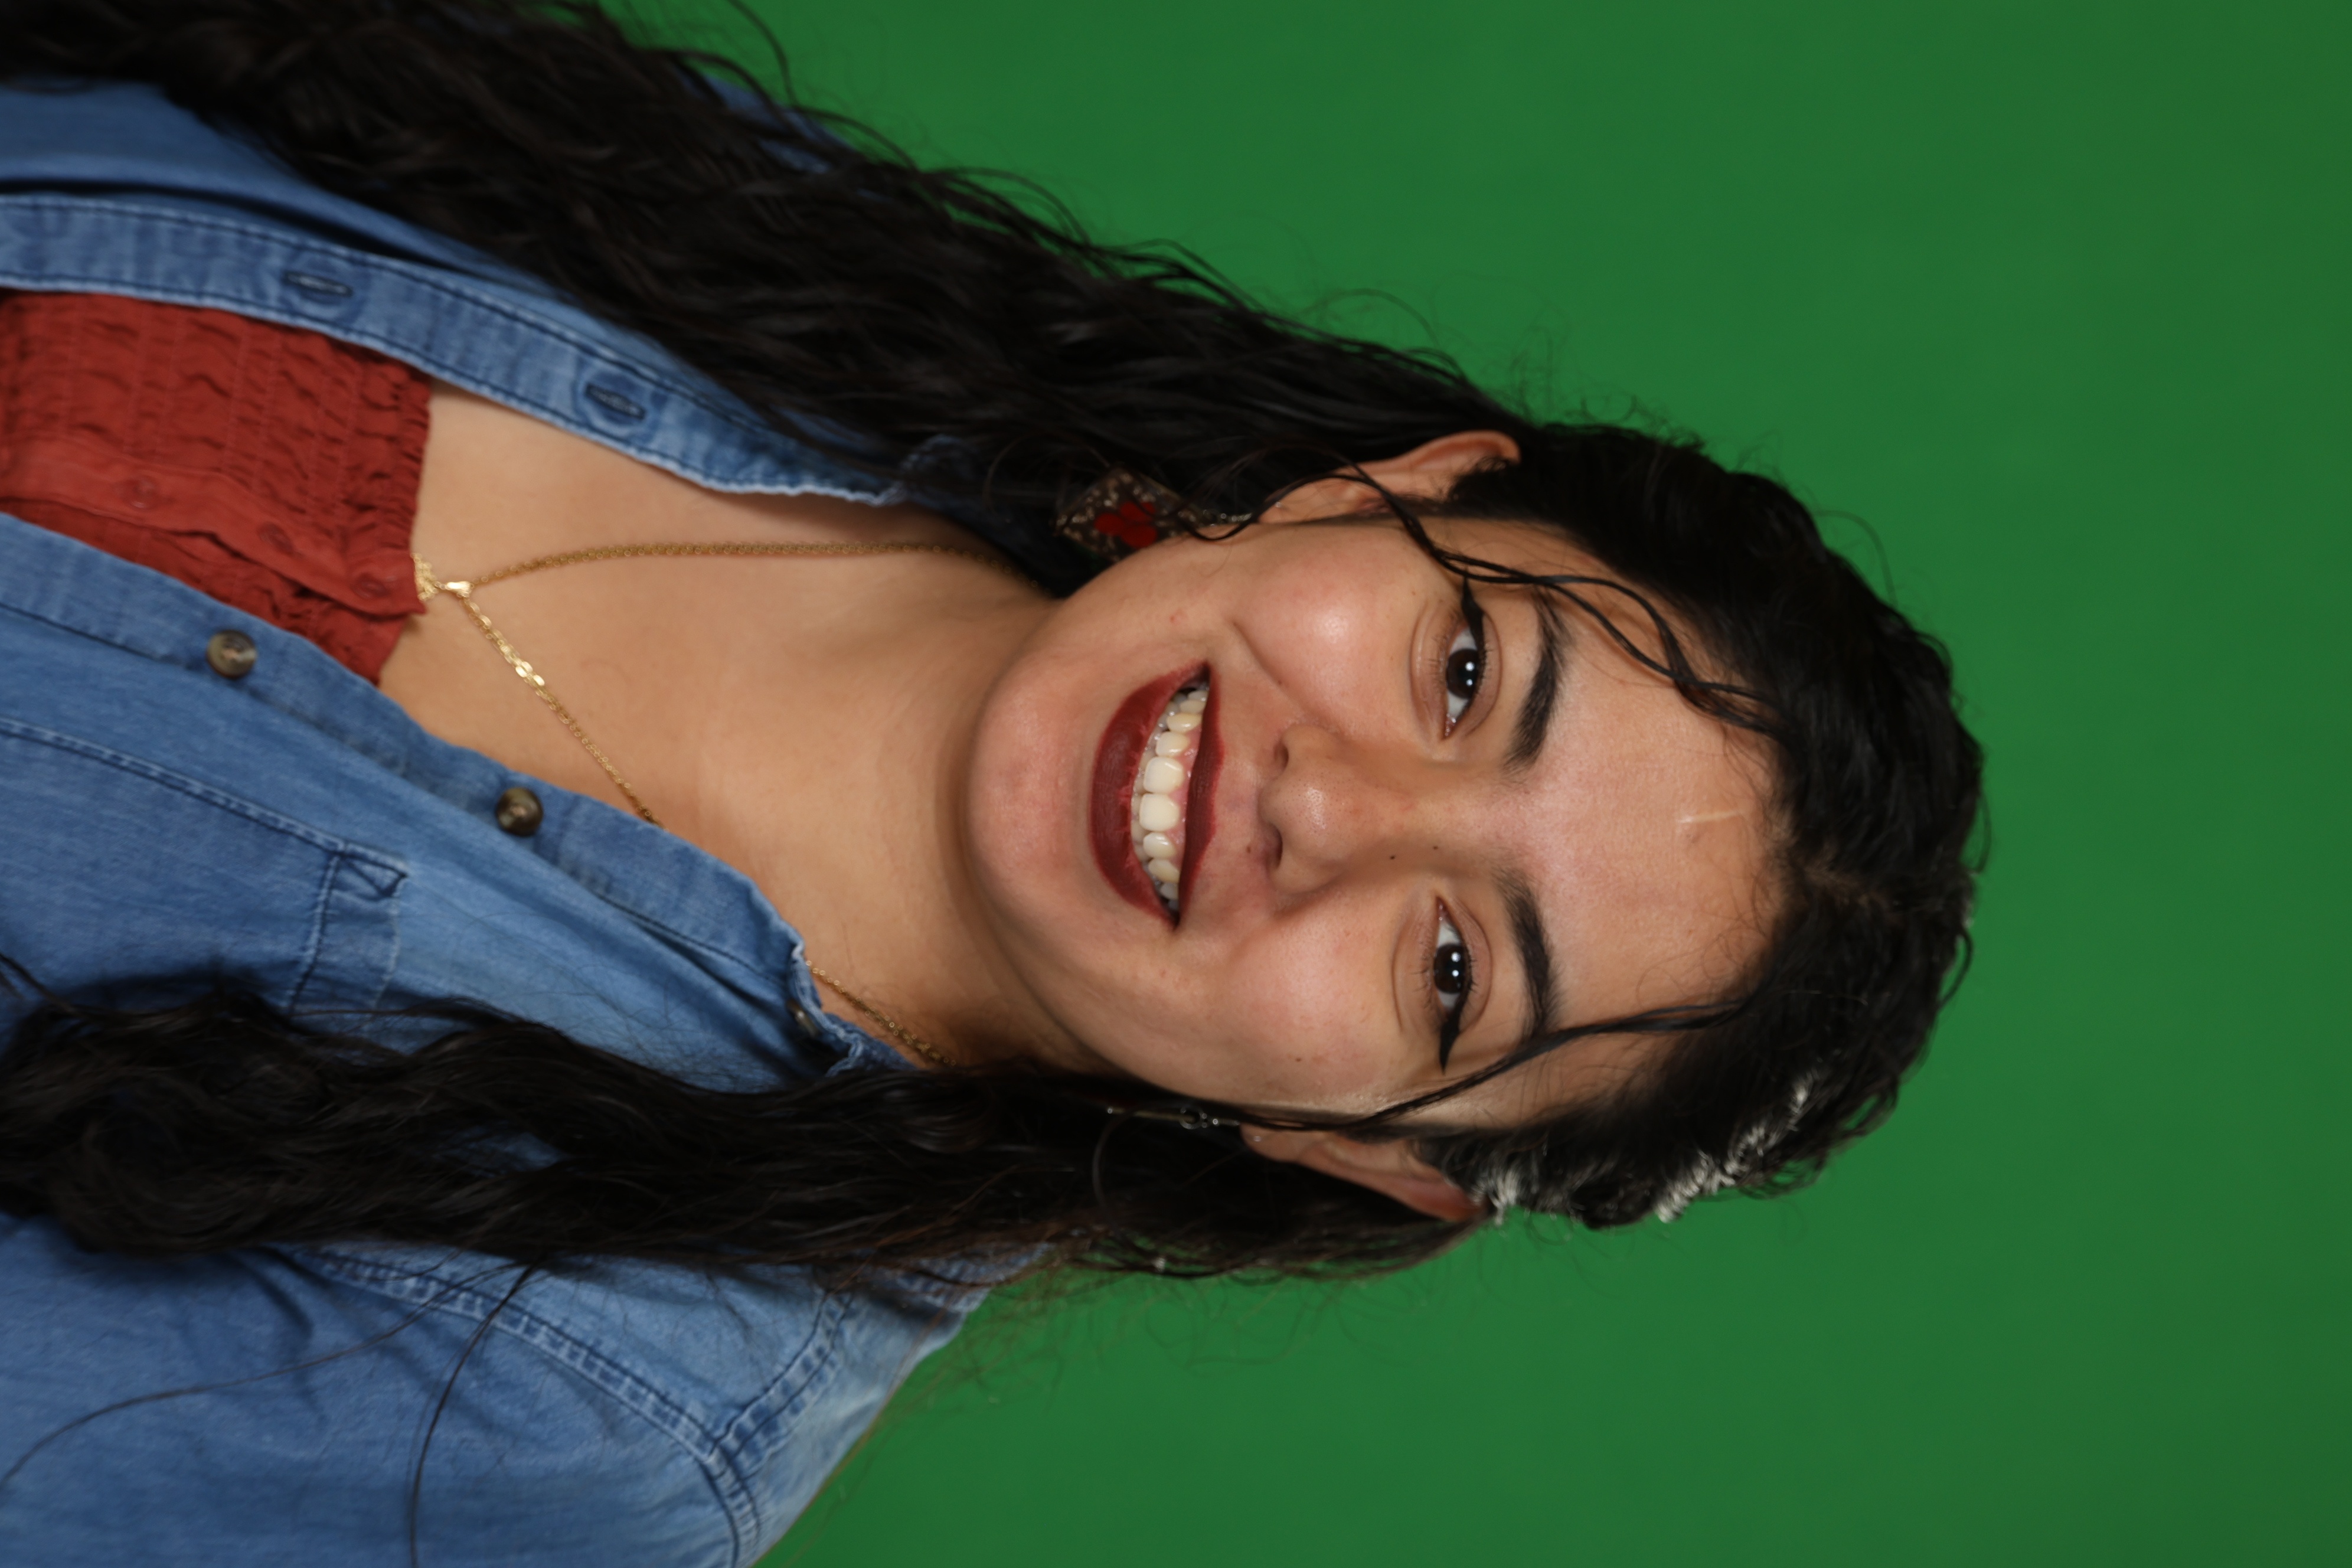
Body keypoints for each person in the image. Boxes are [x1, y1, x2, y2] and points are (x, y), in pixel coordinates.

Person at [0, 1, 1982, 1562]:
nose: (1328, 809)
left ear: (1358, 1157)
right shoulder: (775, 252)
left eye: (1453, 970)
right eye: (1465, 674)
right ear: (1395, 492)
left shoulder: (580, 1414)